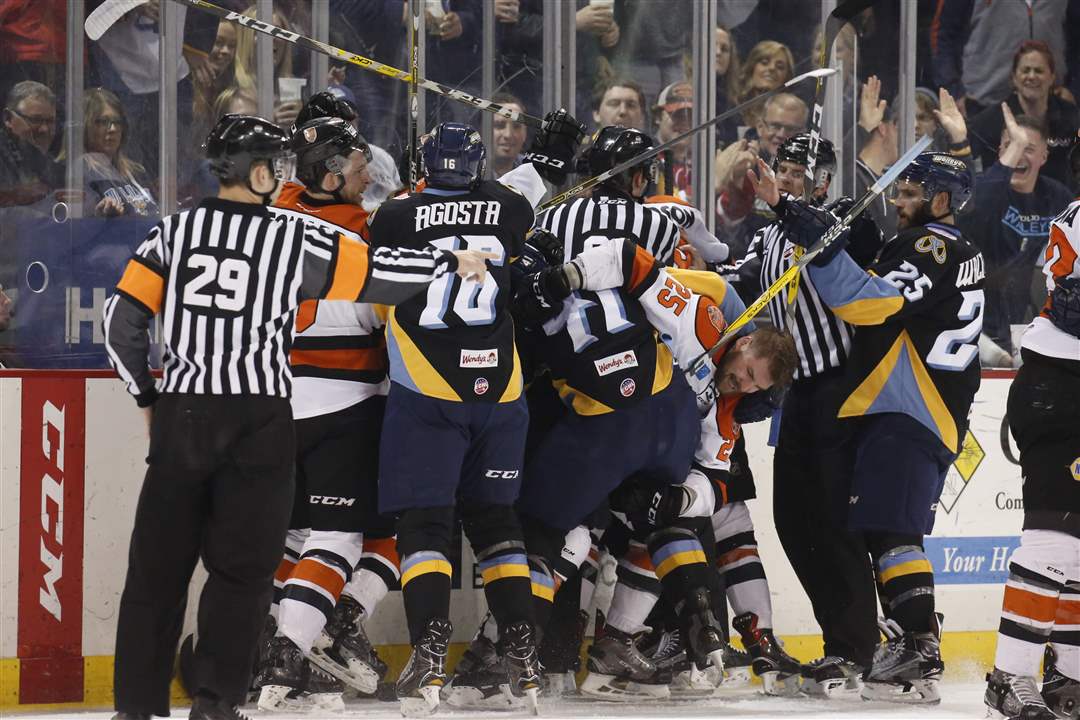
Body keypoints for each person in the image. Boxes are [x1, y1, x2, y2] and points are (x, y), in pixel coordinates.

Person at [102, 113, 489, 720]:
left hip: (184, 414)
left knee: (156, 571)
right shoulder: (288, 240)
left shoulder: (172, 233)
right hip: (259, 417)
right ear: (258, 173)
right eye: (273, 166)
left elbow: (120, 322)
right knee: (241, 573)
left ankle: (136, 707)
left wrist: (148, 398)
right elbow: (381, 279)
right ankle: (216, 703)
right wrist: (452, 260)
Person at [366, 112, 583, 716]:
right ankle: (521, 653)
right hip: (501, 393)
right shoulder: (509, 207)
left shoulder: (393, 216)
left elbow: (377, 289)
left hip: (427, 390)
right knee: (495, 522)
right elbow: (519, 198)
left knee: (426, 524)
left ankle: (429, 657)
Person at [783, 151, 983, 704]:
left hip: (912, 407)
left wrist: (825, 249)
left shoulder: (932, 244)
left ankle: (919, 648)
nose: (898, 200)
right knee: (883, 530)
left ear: (941, 201)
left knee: (894, 532)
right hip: (917, 409)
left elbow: (868, 304)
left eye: (911, 193)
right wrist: (863, 246)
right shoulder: (949, 248)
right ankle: (913, 641)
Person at [727, 132, 884, 696]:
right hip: (794, 397)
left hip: (840, 392)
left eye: (799, 173)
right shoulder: (770, 233)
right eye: (783, 170)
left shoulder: (844, 220)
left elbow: (831, 245)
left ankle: (855, 649)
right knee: (794, 521)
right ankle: (840, 641)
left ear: (823, 182)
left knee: (835, 525)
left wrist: (782, 201)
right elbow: (742, 278)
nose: (787, 179)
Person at [253, 116, 397, 710]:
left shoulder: (269, 218)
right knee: (348, 534)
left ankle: (278, 645)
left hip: (270, 402)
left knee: (290, 534)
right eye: (359, 165)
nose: (368, 174)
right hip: (345, 406)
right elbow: (385, 320)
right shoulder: (363, 236)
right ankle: (293, 653)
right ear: (333, 174)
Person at [984, 185, 1080, 720]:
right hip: (1059, 388)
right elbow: (1071, 302)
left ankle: (1068, 677)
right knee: (1053, 540)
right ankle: (1009, 676)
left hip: (1062, 380)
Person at [961, 106, 1073, 357]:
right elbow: (974, 211)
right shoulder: (987, 191)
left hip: (1038, 326)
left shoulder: (1058, 198)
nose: (1019, 154)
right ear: (1001, 152)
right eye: (1011, 146)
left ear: (1044, 156)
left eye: (1028, 148)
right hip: (982, 328)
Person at [968, 40, 1080, 191]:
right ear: (1014, 77)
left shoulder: (1071, 116)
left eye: (1039, 71)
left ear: (1052, 77)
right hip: (1007, 201)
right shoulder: (990, 120)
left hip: (1062, 200)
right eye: (1025, 70)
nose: (1031, 76)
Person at [931, 0, 1073, 118]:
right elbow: (942, 34)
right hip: (981, 102)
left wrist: (1074, 89)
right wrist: (953, 90)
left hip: (1049, 102)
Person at [73, 87, 157, 218]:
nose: (112, 129)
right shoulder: (81, 171)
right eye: (103, 122)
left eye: (117, 122)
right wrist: (102, 216)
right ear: (86, 126)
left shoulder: (135, 171)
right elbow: (82, 223)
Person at [0, 80, 61, 207]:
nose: (44, 129)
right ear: (8, 118)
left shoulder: (48, 162)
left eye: (50, 121)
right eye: (35, 120)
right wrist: (16, 195)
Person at [733, 40, 795, 131]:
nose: (772, 68)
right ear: (752, 68)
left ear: (787, 78)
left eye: (780, 67)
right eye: (764, 62)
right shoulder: (732, 106)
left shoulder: (791, 118)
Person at [653, 81, 693, 200]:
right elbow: (659, 206)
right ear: (658, 117)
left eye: (692, 115)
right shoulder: (646, 157)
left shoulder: (703, 159)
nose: (686, 121)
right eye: (678, 114)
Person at [490, 92, 529, 178]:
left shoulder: (535, 171)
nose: (508, 135)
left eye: (516, 126)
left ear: (525, 133)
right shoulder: (467, 172)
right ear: (483, 130)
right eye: (499, 125)